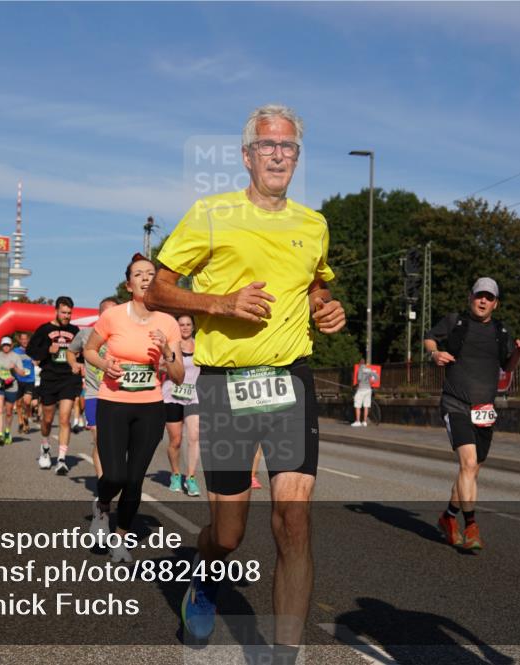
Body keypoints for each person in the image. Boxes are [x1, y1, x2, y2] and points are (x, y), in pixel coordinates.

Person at [146, 104, 346, 653]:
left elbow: (315, 288)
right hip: (228, 385)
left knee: (293, 520)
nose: (278, 155)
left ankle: (286, 653)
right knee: (229, 533)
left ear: (297, 157)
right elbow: (158, 289)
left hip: (291, 381)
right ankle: (204, 582)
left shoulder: (314, 224)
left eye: (288, 147)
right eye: (267, 146)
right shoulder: (211, 214)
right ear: (247, 156)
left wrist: (328, 307)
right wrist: (222, 303)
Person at [85, 254, 184, 563]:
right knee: (113, 474)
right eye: (138, 274)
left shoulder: (168, 322)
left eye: (150, 274)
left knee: (134, 478)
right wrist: (104, 363)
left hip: (150, 407)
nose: (145, 277)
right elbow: (89, 349)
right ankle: (102, 508)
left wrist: (167, 350)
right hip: (113, 403)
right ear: (129, 284)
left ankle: (121, 537)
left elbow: (178, 375)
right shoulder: (113, 316)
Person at [423, 277, 520, 552]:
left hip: (484, 410)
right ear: (471, 297)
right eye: (479, 295)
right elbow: (430, 338)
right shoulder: (456, 322)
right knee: (468, 465)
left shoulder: (501, 330)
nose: (483, 301)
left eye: (489, 297)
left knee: (471, 471)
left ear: (496, 303)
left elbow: (508, 365)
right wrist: (435, 355)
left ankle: (447, 517)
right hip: (456, 402)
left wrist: (517, 353)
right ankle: (471, 526)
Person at [28, 296, 81, 474]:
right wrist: (46, 351)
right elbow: (31, 350)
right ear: (56, 311)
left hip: (68, 378)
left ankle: (61, 459)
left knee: (65, 418)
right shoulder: (44, 329)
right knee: (48, 419)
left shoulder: (75, 330)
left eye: (69, 313)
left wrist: (78, 363)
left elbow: (81, 352)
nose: (67, 316)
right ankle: (45, 448)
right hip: (49, 377)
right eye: (64, 312)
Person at [68, 296, 119, 475]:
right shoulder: (85, 334)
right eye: (107, 313)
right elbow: (70, 351)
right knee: (100, 441)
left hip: (119, 395)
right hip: (94, 394)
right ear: (99, 315)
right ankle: (103, 485)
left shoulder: (124, 336)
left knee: (118, 442)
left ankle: (115, 477)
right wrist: (74, 363)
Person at [162, 314, 201, 496]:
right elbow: (160, 365)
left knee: (194, 436)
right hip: (172, 395)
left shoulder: (201, 346)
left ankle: (191, 477)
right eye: (181, 325)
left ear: (193, 327)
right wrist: (164, 364)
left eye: (188, 324)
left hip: (193, 396)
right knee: (176, 441)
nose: (185, 328)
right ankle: (176, 474)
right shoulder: (171, 346)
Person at [0, 337, 28, 446]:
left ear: (11, 345)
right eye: (4, 345)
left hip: (11, 386)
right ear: (1, 345)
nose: (6, 347)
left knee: (9, 412)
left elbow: (22, 373)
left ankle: (7, 431)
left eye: (7, 345)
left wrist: (15, 367)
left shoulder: (16, 357)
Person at [13, 332, 36, 435]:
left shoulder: (32, 350)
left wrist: (36, 362)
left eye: (26, 339)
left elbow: (38, 360)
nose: (24, 341)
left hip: (30, 380)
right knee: (18, 403)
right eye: (22, 339)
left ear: (28, 340)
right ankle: (21, 423)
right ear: (20, 340)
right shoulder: (15, 351)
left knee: (27, 402)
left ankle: (26, 417)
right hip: (18, 380)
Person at [351, 357, 378, 426]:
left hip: (361, 389)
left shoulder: (360, 369)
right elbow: (376, 376)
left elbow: (359, 379)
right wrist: (372, 382)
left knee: (357, 405)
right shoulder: (369, 369)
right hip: (368, 389)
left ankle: (357, 421)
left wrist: (357, 385)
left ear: (360, 363)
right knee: (366, 406)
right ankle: (365, 421)